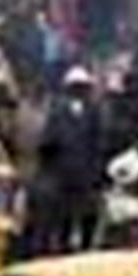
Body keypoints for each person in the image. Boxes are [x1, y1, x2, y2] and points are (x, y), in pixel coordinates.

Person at [41, 66, 103, 251]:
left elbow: (98, 142)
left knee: (87, 216)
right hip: (63, 175)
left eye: (82, 88)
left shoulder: (94, 112)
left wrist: (96, 171)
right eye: (76, 88)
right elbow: (47, 141)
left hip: (86, 174)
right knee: (64, 218)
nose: (79, 92)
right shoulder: (57, 112)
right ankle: (63, 246)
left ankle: (85, 248)